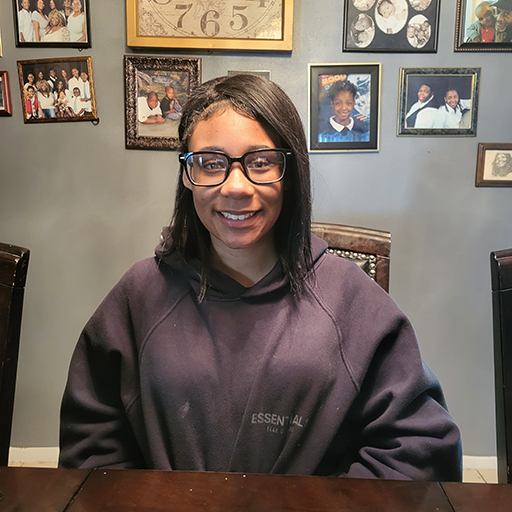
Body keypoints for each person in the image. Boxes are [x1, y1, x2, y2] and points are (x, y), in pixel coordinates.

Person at [59, 74, 462, 481]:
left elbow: (418, 448)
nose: (236, 187)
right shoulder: (139, 295)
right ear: (187, 174)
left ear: (289, 172)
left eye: (260, 162)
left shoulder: (352, 300)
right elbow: (92, 442)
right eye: (212, 163)